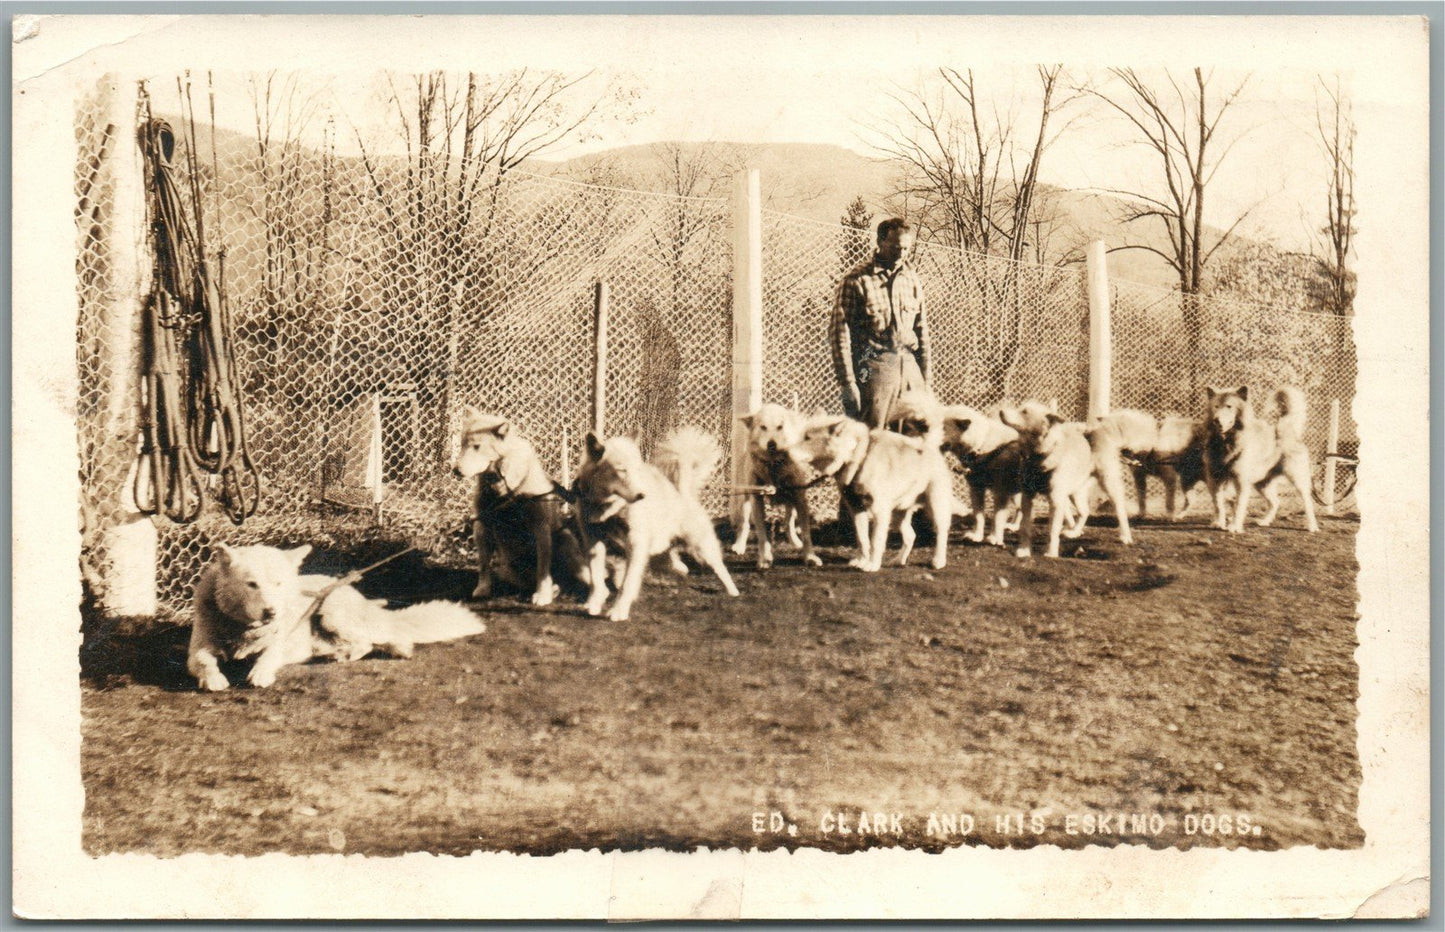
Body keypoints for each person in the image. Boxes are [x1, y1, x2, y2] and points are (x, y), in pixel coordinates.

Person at [831, 217, 931, 428]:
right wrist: (848, 383)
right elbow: (839, 335)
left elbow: (922, 333)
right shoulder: (856, 280)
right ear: (880, 242)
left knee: (914, 441)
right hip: (874, 370)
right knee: (873, 439)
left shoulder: (912, 279)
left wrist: (926, 380)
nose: (901, 254)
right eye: (895, 248)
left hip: (910, 370)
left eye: (906, 249)